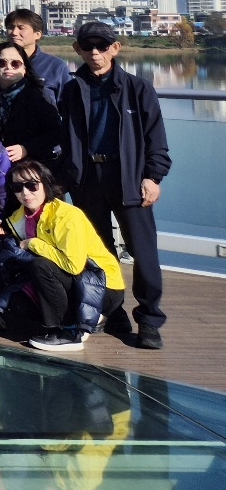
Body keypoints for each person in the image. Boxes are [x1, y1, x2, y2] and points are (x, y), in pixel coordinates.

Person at [58, 20, 171, 350]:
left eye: (103, 46)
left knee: (143, 252)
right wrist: (65, 177)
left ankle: (149, 319)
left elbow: (157, 140)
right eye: (88, 46)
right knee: (98, 252)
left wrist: (153, 177)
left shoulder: (138, 88)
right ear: (77, 49)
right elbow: (62, 138)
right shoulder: (70, 89)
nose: (95, 53)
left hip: (129, 180)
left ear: (116, 48)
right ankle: (113, 311)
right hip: (87, 180)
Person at [2, 161, 126, 351]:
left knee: (41, 266)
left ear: (45, 184)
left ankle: (70, 332)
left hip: (102, 284)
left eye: (32, 185)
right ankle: (85, 318)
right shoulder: (18, 219)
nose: (25, 193)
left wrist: (33, 243)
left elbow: (73, 265)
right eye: (18, 187)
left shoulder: (67, 215)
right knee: (19, 307)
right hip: (74, 281)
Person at [0, 41, 60, 165]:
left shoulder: (38, 95)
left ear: (25, 68)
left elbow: (55, 132)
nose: (8, 67)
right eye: (2, 63)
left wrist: (26, 148)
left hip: (31, 165)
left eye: (15, 64)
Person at [5, 8, 72, 105]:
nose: (14, 33)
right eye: (10, 27)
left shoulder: (56, 67)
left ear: (37, 34)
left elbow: (68, 106)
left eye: (21, 28)